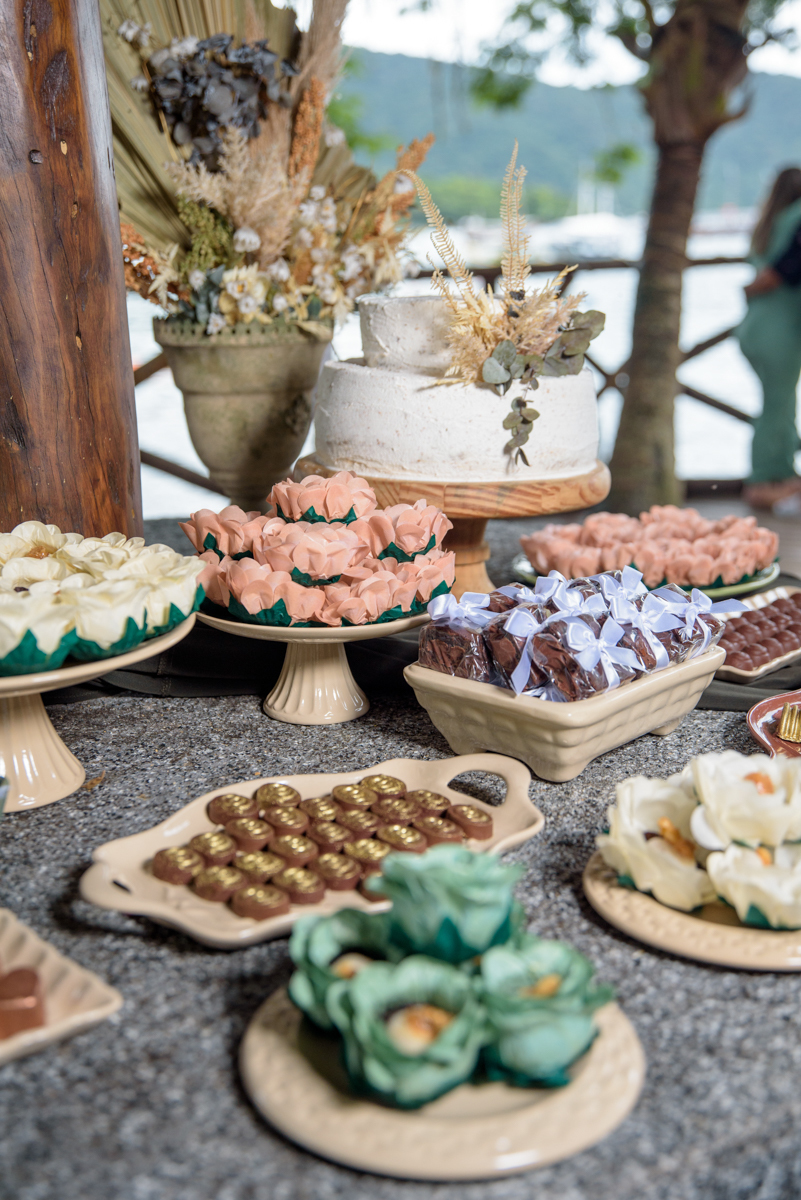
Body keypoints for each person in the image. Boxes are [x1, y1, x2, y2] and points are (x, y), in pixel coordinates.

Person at [737, 167, 801, 509]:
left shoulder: (769, 222)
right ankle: (765, 481)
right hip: (780, 332)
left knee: (775, 405)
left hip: (755, 327)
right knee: (779, 406)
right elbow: (784, 270)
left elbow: (766, 274)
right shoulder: (797, 217)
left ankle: (780, 475)